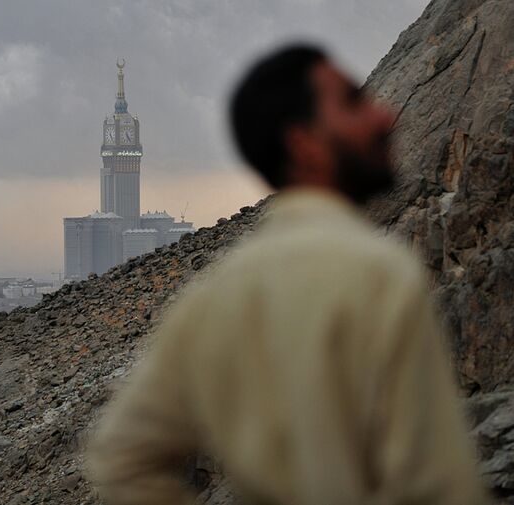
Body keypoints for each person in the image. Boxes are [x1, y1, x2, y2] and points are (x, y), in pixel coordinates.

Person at [86, 45, 488, 505]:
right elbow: (436, 482)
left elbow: (120, 455)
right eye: (354, 104)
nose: (383, 117)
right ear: (304, 143)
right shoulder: (380, 274)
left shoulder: (215, 296)